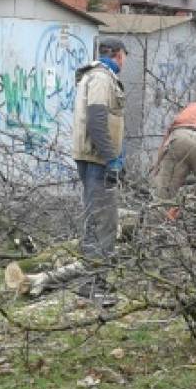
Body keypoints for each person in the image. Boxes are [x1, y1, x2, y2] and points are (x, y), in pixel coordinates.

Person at [72, 37, 127, 297]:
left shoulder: (96, 76)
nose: (125, 60)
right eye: (124, 55)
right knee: (103, 222)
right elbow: (96, 120)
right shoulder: (102, 78)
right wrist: (111, 158)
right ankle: (93, 284)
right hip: (97, 160)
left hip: (95, 158)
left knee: (97, 219)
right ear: (117, 54)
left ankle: (92, 281)